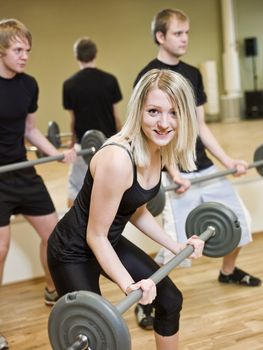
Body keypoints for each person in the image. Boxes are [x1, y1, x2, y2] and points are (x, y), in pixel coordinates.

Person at [47, 68, 205, 350]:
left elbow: (136, 210)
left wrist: (177, 244)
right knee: (97, 335)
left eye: (174, 112)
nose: (164, 123)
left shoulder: (158, 149)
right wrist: (128, 285)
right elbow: (95, 235)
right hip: (72, 250)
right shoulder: (118, 158)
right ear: (138, 111)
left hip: (109, 239)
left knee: (170, 300)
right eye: (154, 111)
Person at [133, 8, 262, 330]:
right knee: (174, 250)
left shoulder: (192, 73)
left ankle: (228, 271)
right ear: (160, 36)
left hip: (202, 167)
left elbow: (201, 126)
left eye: (187, 33)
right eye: (178, 33)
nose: (185, 39)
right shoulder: (149, 76)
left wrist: (227, 160)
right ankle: (144, 297)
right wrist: (171, 171)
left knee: (239, 226)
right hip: (175, 177)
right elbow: (148, 132)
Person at [0, 16, 77, 318]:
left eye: (28, 51)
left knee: (55, 236)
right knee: (1, 250)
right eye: (18, 50)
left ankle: (51, 288)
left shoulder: (29, 84)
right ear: (1, 51)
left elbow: (30, 130)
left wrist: (56, 153)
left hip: (22, 172)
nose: (25, 57)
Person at [62, 37, 122, 207]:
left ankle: (78, 225)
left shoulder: (69, 84)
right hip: (110, 144)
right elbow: (116, 116)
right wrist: (122, 139)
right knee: (112, 189)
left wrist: (72, 144)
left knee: (75, 193)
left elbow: (73, 121)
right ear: (95, 54)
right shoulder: (110, 80)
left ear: (76, 57)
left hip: (85, 148)